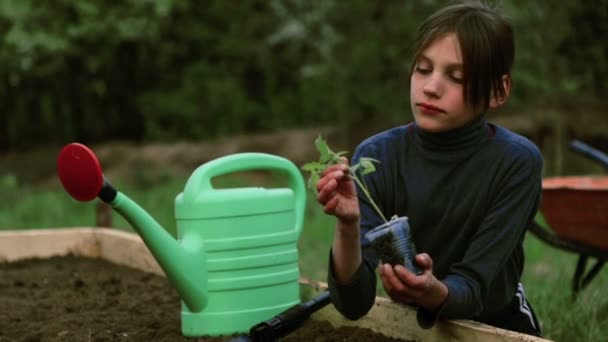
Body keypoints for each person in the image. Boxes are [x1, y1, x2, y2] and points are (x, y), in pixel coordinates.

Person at [314, 0, 543, 337]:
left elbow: (474, 287)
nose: (431, 87)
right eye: (423, 69)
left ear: (498, 90)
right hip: (407, 327)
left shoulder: (515, 163)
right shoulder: (378, 157)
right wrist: (348, 226)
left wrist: (432, 292)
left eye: (456, 76)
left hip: (494, 324)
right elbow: (354, 304)